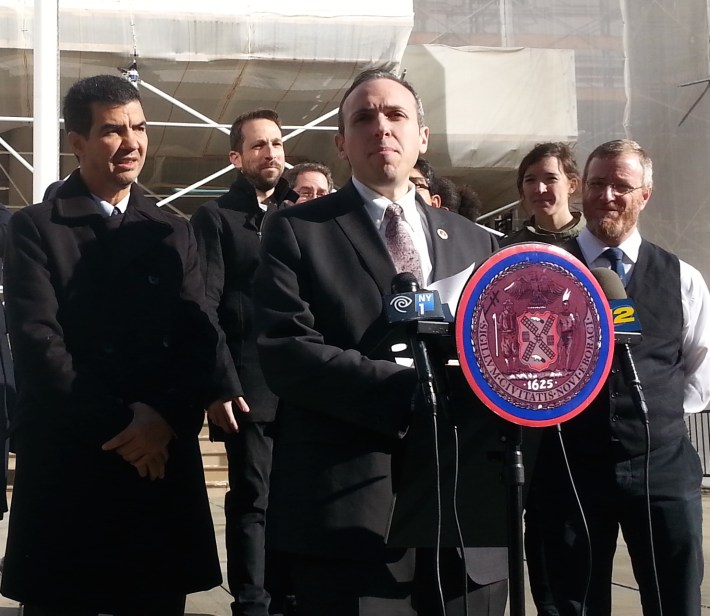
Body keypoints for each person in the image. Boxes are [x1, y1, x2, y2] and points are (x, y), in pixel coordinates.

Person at [254, 68, 507, 616]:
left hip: (465, 518)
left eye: (396, 115)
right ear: (342, 143)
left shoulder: (481, 243)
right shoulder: (298, 230)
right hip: (353, 516)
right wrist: (414, 392)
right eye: (363, 118)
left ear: (422, 136)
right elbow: (287, 350)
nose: (381, 128)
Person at [0, 74, 222, 615]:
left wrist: (164, 419)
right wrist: (124, 428)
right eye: (112, 130)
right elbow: (38, 342)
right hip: (73, 459)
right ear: (76, 142)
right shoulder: (35, 228)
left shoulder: (175, 230)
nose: (132, 143)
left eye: (140, 127)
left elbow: (198, 336)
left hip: (159, 461)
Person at [529, 139, 710, 615]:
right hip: (567, 465)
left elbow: (697, 372)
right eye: (596, 184)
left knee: (676, 598)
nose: (607, 196)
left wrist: (650, 413)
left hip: (661, 464)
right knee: (570, 601)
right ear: (580, 188)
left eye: (621, 186)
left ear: (645, 195)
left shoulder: (682, 278)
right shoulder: (543, 271)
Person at [190, 108, 298, 616]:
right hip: (247, 387)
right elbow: (204, 305)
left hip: (304, 385)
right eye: (258, 145)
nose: (270, 153)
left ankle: (290, 596)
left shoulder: (302, 213)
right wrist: (218, 383)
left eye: (276, 143)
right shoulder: (214, 218)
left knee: (296, 500)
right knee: (254, 497)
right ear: (237, 157)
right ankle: (253, 603)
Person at [500, 141, 584, 247]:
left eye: (551, 179)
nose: (540, 189)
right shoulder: (509, 250)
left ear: (572, 185)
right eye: (530, 180)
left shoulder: (595, 241)